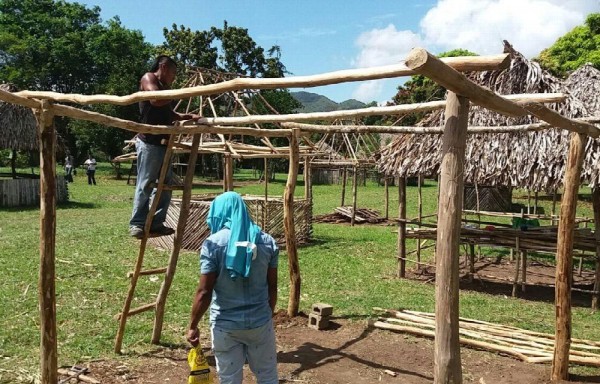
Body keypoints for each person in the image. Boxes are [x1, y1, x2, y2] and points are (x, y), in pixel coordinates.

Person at [187, 192, 279, 384]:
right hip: (260, 322)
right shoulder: (267, 241)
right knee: (267, 375)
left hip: (225, 325)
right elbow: (272, 286)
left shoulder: (213, 244)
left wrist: (193, 326)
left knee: (229, 379)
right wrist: (265, 314)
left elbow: (204, 292)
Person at [129, 55, 200, 239]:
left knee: (166, 185)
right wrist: (179, 94)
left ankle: (156, 222)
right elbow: (155, 100)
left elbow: (168, 113)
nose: (174, 77)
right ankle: (137, 224)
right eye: (173, 73)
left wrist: (184, 117)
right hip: (149, 143)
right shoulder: (149, 78)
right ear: (163, 66)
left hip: (164, 144)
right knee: (145, 184)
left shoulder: (166, 89)